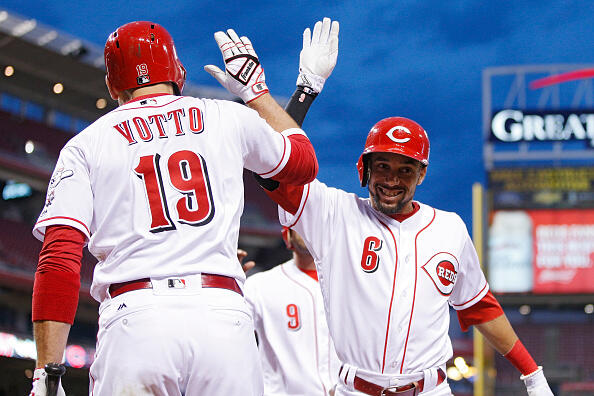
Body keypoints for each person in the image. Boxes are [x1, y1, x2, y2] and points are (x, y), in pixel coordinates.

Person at [243, 20, 554, 396]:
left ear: (421, 175)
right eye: (383, 166)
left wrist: (531, 374)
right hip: (356, 389)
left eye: (405, 169)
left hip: (431, 389)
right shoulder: (334, 213)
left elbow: (480, 307)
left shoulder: (450, 228)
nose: (392, 178)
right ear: (365, 169)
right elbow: (277, 168)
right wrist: (305, 90)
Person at [29, 21, 318, 396]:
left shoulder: (87, 144)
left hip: (137, 319)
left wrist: (46, 372)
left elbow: (59, 258)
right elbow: (303, 163)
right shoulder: (223, 115)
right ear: (176, 70)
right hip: (222, 317)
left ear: (112, 85)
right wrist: (255, 92)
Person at [244, 227, 342, 395]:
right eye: (299, 222)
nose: (307, 226)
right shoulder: (259, 285)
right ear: (287, 234)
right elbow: (224, 333)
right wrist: (227, 289)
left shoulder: (354, 284)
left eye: (312, 221)